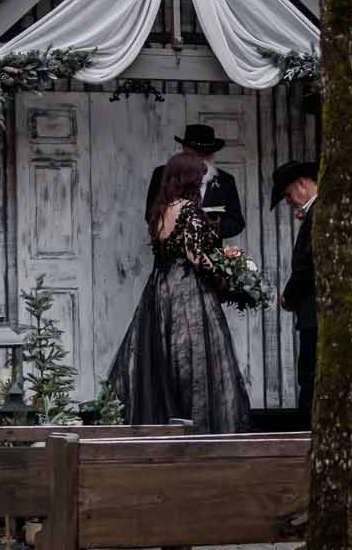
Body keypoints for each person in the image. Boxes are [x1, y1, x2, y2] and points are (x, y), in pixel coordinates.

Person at [106, 151, 254, 433]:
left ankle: (165, 421)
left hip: (159, 288)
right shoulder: (189, 211)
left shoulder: (161, 210)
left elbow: (173, 250)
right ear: (189, 178)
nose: (201, 183)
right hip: (186, 290)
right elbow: (196, 256)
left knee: (161, 355)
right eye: (199, 178)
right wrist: (225, 276)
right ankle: (195, 424)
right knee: (194, 359)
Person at [272, 161, 320, 424]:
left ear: (302, 185)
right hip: (314, 312)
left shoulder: (318, 213)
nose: (290, 203)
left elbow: (306, 265)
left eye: (289, 195)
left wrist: (288, 296)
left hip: (316, 313)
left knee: (310, 376)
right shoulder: (318, 213)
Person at [142, 123, 245, 241]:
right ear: (184, 150)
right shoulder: (162, 174)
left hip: (209, 255)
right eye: (196, 153)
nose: (201, 159)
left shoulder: (225, 180)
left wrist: (210, 226)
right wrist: (181, 225)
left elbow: (236, 223)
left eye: (206, 153)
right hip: (169, 255)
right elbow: (151, 215)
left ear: (212, 154)